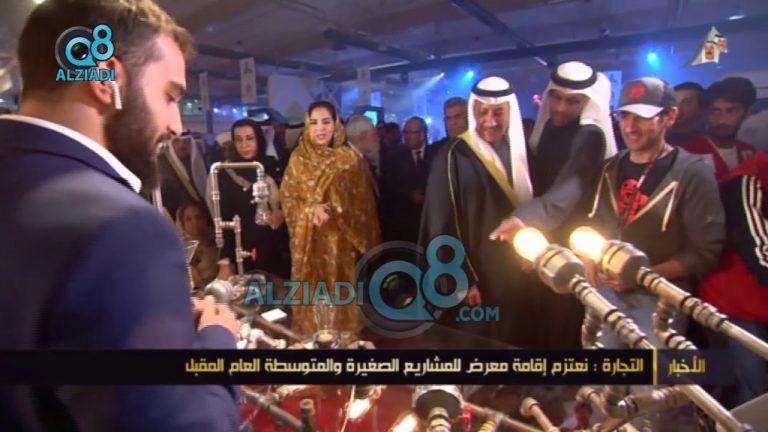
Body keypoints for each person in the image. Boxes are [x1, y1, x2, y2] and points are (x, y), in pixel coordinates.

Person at [0, 1, 240, 431]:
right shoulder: (124, 229)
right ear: (103, 78)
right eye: (170, 96)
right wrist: (218, 340)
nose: (176, 124)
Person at [575, 77, 725, 430]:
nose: (630, 126)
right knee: (604, 390)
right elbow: (594, 223)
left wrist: (644, 275)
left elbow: (706, 252)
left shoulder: (693, 173)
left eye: (642, 116)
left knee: (655, 399)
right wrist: (588, 258)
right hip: (606, 297)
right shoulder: (610, 168)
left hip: (659, 304)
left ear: (669, 117)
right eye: (625, 115)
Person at [491, 61, 618, 349]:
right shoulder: (550, 127)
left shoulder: (590, 135)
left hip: (574, 244)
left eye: (572, 102)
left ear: (587, 103)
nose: (560, 108)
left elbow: (568, 190)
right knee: (541, 320)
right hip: (544, 237)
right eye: (556, 98)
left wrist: (524, 220)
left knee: (563, 325)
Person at [419, 76, 539, 347]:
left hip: (518, 270)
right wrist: (461, 277)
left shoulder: (521, 153)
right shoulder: (453, 154)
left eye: (498, 112)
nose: (490, 121)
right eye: (483, 112)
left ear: (510, 112)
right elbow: (441, 222)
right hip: (477, 276)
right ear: (473, 112)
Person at [280, 101, 380, 338]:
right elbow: (288, 200)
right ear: (307, 125)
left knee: (340, 297)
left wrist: (335, 208)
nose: (320, 128)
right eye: (314, 123)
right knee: (311, 299)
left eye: (326, 122)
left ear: (336, 125)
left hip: (340, 245)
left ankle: (342, 342)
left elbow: (363, 205)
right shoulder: (298, 160)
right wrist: (310, 210)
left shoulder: (348, 160)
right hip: (308, 246)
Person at [698, 152, 768, 408]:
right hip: (735, 298)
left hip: (758, 299)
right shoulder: (746, 180)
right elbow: (757, 250)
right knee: (754, 388)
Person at [216, 118, 289, 279]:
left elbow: (291, 197)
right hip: (248, 249)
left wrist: (283, 212)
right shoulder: (227, 172)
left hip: (280, 246)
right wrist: (225, 261)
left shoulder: (274, 165)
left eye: (250, 138)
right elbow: (224, 216)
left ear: (259, 139)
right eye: (239, 140)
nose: (244, 145)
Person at [684, 77, 758, 180]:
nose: (722, 119)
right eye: (715, 111)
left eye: (731, 111)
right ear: (706, 113)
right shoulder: (690, 152)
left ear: (747, 112)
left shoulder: (748, 151)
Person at [177, 201, 219, 288]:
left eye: (198, 217)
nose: (194, 222)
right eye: (188, 219)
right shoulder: (184, 251)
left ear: (205, 219)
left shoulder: (218, 241)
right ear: (182, 224)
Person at [666, 82, 706, 147]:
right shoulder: (655, 137)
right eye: (674, 101)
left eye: (687, 102)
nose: (678, 107)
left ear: (702, 107)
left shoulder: (711, 140)